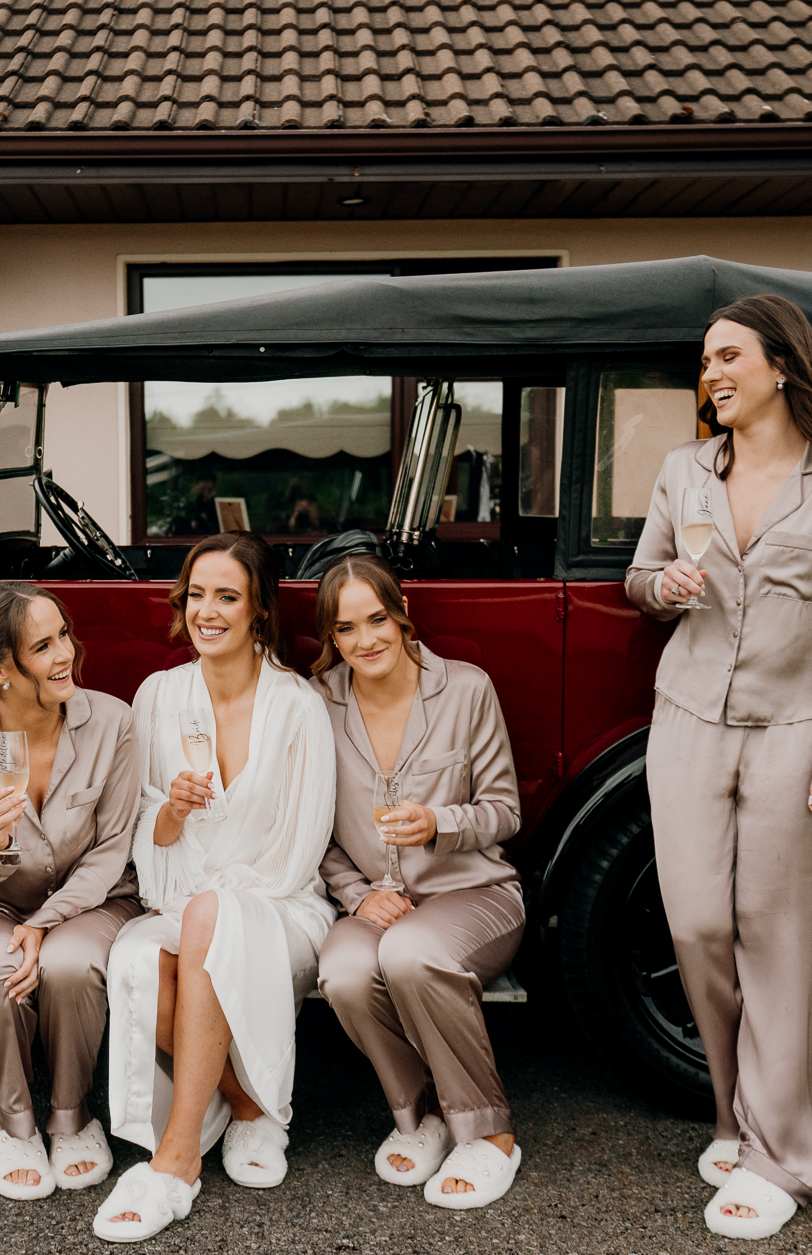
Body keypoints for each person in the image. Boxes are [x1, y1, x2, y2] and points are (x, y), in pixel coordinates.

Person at [627, 293, 812, 1240]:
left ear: (783, 365)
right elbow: (640, 578)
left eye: (729, 357)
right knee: (697, 925)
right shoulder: (684, 470)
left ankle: (785, 1159)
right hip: (687, 718)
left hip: (793, 728)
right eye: (705, 362)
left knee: (776, 943)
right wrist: (665, 586)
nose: (713, 375)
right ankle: (737, 1115)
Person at [91, 532, 337, 1242]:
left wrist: (217, 903)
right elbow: (142, 830)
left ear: (259, 609)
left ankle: (175, 1160)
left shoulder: (298, 707)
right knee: (140, 959)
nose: (207, 610)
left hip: (279, 904)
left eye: (227, 596)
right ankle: (249, 1104)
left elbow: (300, 849)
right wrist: (169, 811)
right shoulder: (158, 696)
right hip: (177, 894)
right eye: (197, 594)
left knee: (209, 920)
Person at [312, 554, 526, 1210]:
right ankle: (424, 1113)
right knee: (344, 972)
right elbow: (306, 828)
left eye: (377, 619)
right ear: (332, 638)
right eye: (347, 629)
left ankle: (490, 1134)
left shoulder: (465, 688)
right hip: (372, 899)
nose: (366, 640)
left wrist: (439, 822)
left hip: (475, 892)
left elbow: (505, 811)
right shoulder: (317, 704)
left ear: (402, 615)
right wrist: (355, 895)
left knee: (410, 954)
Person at [0, 581, 142, 1201]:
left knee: (71, 965)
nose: (65, 654)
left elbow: (112, 848)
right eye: (43, 646)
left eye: (64, 636)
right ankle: (16, 1128)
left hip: (95, 899)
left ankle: (71, 1115)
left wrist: (46, 922)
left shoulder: (113, 722)